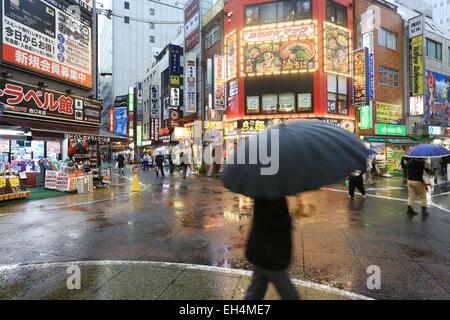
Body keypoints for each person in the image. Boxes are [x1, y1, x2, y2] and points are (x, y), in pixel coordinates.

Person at [244, 198, 300, 300]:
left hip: (261, 251)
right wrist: (292, 217)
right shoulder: (271, 196)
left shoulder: (267, 191)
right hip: (270, 255)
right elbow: (271, 224)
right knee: (290, 295)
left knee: (255, 292)